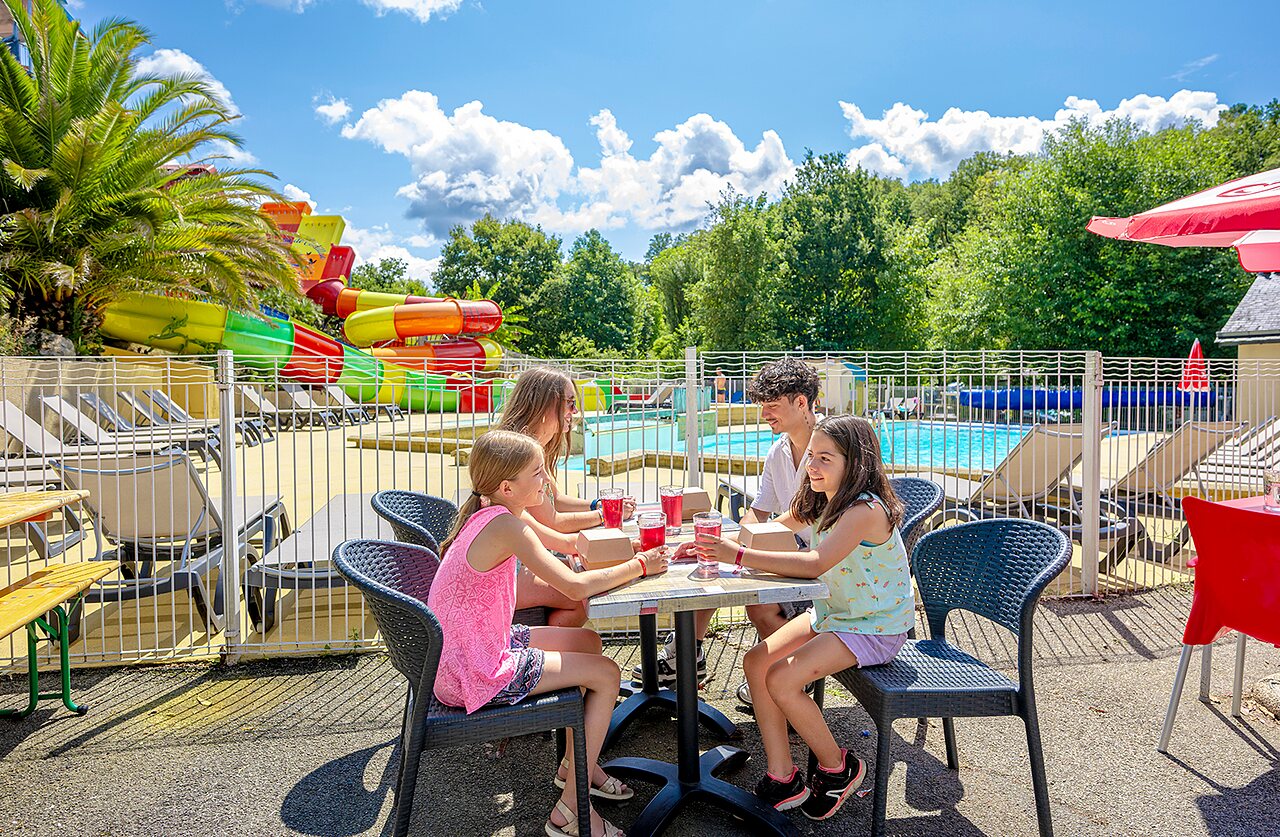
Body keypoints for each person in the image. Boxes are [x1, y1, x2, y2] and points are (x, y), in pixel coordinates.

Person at [428, 430, 670, 837]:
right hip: (473, 669)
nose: (546, 480)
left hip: (468, 649)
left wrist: (621, 546)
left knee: (588, 643)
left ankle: (576, 765)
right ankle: (572, 812)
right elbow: (573, 588)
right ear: (508, 486)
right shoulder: (506, 525)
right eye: (538, 472)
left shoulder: (500, 513)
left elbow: (567, 544)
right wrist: (641, 566)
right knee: (606, 674)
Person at [684, 415, 911, 821]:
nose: (812, 466)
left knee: (781, 679)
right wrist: (707, 543)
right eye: (812, 456)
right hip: (837, 615)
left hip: (874, 626)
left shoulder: (864, 510)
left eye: (825, 458)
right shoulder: (824, 498)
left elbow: (814, 562)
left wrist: (734, 555)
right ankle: (783, 776)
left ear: (855, 463)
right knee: (756, 662)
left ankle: (837, 768)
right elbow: (772, 528)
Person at [632, 357, 820, 693]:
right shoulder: (779, 451)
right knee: (712, 561)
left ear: (801, 402)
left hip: (825, 558)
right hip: (795, 547)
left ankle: (791, 674)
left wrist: (741, 546)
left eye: (772, 406)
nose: (764, 416)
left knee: (752, 591)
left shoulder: (831, 446)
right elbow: (759, 511)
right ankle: (688, 655)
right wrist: (720, 540)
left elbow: (807, 514)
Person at [497, 367, 636, 627]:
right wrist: (605, 518)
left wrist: (598, 505)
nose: (574, 412)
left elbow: (556, 501)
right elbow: (554, 523)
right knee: (580, 596)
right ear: (542, 405)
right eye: (570, 403)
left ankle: (552, 647)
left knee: (582, 578)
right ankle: (545, 652)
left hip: (520, 560)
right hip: (508, 571)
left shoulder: (534, 448)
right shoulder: (519, 457)